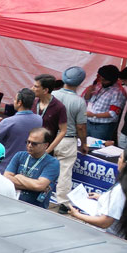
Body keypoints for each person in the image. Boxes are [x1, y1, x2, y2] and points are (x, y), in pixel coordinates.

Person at [68, 145, 127, 246]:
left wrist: (77, 215)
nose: (118, 160)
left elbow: (104, 222)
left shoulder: (120, 190)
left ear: (126, 164)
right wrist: (102, 198)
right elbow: (126, 204)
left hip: (113, 242)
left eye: (120, 157)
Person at [0, 87, 41, 173]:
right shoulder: (39, 119)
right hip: (24, 167)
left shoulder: (9, 122)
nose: (13, 101)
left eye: (15, 99)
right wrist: (0, 125)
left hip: (4, 166)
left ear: (19, 102)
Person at [53, 66, 89, 210]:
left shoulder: (52, 95)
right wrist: (84, 143)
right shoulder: (79, 101)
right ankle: (63, 203)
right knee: (65, 172)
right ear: (80, 82)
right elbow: (81, 127)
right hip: (67, 140)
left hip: (49, 137)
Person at [3, 127, 61, 208]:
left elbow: (39, 185)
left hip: (36, 208)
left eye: (34, 144)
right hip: (13, 203)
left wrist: (19, 177)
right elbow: (6, 179)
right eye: (28, 142)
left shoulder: (52, 162)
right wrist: (33, 186)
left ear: (46, 145)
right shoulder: (19, 155)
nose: (29, 145)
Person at [84, 64, 125, 143]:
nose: (101, 81)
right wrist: (88, 91)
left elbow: (113, 113)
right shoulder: (99, 85)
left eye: (104, 80)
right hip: (88, 122)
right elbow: (87, 99)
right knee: (84, 144)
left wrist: (94, 115)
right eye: (100, 78)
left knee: (97, 147)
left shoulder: (118, 92)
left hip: (102, 126)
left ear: (112, 80)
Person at [32, 75, 66, 156]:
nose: (32, 88)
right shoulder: (33, 103)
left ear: (45, 90)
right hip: (29, 147)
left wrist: (48, 150)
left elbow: (63, 131)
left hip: (44, 151)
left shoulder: (59, 107)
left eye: (36, 86)